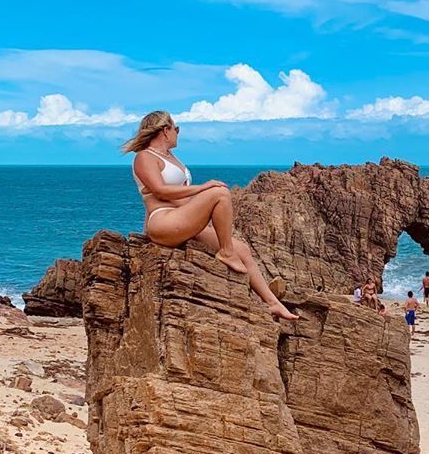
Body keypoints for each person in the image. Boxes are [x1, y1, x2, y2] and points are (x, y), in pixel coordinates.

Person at [123, 110, 298, 321]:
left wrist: (199, 213)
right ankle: (225, 252)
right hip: (164, 221)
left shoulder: (171, 157)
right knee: (220, 193)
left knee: (242, 249)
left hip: (181, 220)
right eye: (176, 128)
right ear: (164, 130)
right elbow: (160, 191)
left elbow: (179, 197)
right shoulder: (144, 157)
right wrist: (203, 189)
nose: (178, 133)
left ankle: (273, 303)